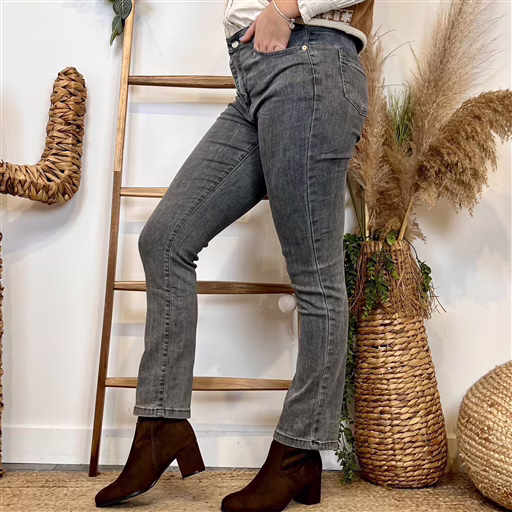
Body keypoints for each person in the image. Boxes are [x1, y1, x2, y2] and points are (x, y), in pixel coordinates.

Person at [95, 0, 374, 509]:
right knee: (165, 240)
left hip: (308, 66)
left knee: (315, 276)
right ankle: (160, 423)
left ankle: (298, 454)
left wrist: (284, 9)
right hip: (256, 80)